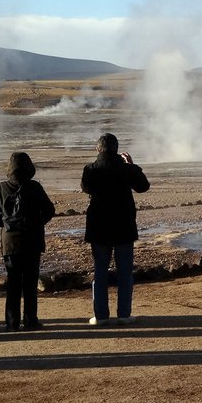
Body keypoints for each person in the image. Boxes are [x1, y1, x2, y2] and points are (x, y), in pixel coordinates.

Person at [81, 133, 150, 325]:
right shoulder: (126, 169)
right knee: (125, 272)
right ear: (117, 149)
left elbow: (86, 188)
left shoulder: (91, 169)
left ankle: (101, 316)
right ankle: (124, 315)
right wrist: (131, 166)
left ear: (98, 149)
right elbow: (143, 186)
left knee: (100, 271)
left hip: (99, 228)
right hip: (123, 228)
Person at [0, 152, 56, 331]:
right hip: (32, 240)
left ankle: (12, 322)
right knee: (30, 283)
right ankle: (30, 320)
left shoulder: (0, 189)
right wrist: (37, 223)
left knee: (13, 283)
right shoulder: (34, 188)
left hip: (10, 242)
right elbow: (49, 210)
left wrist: (5, 225)